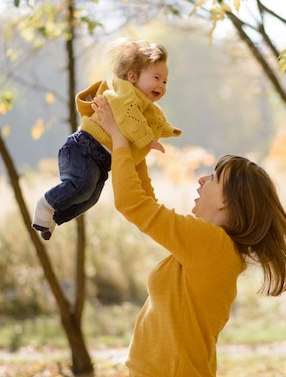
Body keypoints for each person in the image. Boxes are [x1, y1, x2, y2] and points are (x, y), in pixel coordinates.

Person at [91, 95, 286, 377]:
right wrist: (136, 150)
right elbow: (144, 200)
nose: (202, 179)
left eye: (214, 178)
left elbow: (132, 204)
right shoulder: (211, 246)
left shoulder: (209, 243)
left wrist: (120, 141)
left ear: (227, 203)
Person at [32, 38, 181, 240]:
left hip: (101, 161)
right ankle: (46, 203)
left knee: (90, 199)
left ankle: (54, 217)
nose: (162, 85)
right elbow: (126, 115)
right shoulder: (124, 91)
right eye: (156, 77)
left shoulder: (148, 109)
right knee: (82, 187)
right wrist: (147, 139)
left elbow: (157, 122)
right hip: (84, 148)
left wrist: (169, 131)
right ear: (132, 76)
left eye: (165, 81)